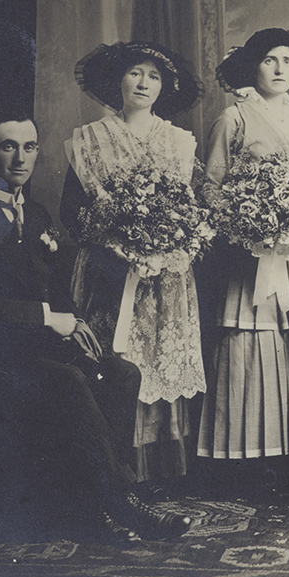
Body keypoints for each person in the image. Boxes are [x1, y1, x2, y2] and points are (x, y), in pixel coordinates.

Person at [0, 111, 191, 543]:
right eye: (7, 146)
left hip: (35, 351)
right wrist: (47, 318)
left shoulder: (37, 215)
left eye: (29, 147)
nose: (19, 158)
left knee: (121, 372)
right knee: (69, 383)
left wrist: (74, 321)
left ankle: (91, 507)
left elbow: (59, 286)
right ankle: (123, 502)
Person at [61, 41, 206, 486]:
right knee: (115, 362)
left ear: (165, 87)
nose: (143, 83)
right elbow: (71, 213)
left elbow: (194, 210)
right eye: (135, 73)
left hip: (167, 278)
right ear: (118, 80)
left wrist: (168, 245)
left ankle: (161, 472)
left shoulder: (180, 142)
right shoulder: (89, 140)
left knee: (161, 359)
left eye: (154, 76)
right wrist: (114, 245)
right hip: (109, 272)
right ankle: (114, 469)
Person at [196, 28, 289, 466]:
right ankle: (244, 452)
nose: (279, 69)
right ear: (253, 65)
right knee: (248, 344)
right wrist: (248, 226)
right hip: (247, 259)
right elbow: (210, 189)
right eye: (270, 60)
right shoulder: (233, 118)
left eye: (288, 62)